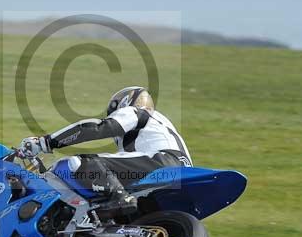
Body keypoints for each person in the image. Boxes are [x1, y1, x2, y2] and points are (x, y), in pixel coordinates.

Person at [20, 86, 192, 217]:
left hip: (163, 163)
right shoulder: (163, 127)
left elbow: (99, 128)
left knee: (80, 163)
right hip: (181, 174)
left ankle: (119, 198)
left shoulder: (135, 112)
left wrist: (46, 142)